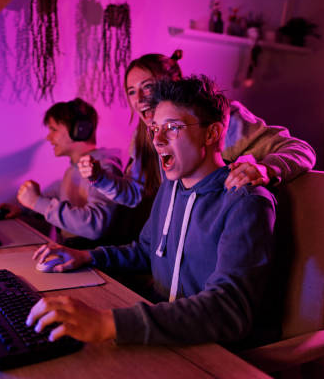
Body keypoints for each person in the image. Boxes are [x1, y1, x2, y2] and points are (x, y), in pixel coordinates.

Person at [26, 76, 279, 348]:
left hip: (210, 350)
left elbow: (227, 309)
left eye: (172, 127)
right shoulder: (170, 187)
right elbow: (146, 252)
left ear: (212, 133)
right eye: (155, 128)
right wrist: (86, 256)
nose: (157, 139)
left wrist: (108, 323)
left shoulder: (245, 202)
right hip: (163, 333)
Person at [78, 50, 316, 208]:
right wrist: (99, 178)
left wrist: (265, 169)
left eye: (147, 87)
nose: (139, 99)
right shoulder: (145, 134)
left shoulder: (222, 120)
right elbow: (135, 194)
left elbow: (300, 149)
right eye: (131, 91)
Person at [0, 98, 130, 247]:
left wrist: (36, 202)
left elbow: (96, 226)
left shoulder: (103, 169)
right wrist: (24, 208)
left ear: (80, 129)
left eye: (53, 129)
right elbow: (56, 200)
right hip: (72, 252)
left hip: (94, 260)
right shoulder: (73, 169)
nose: (48, 137)